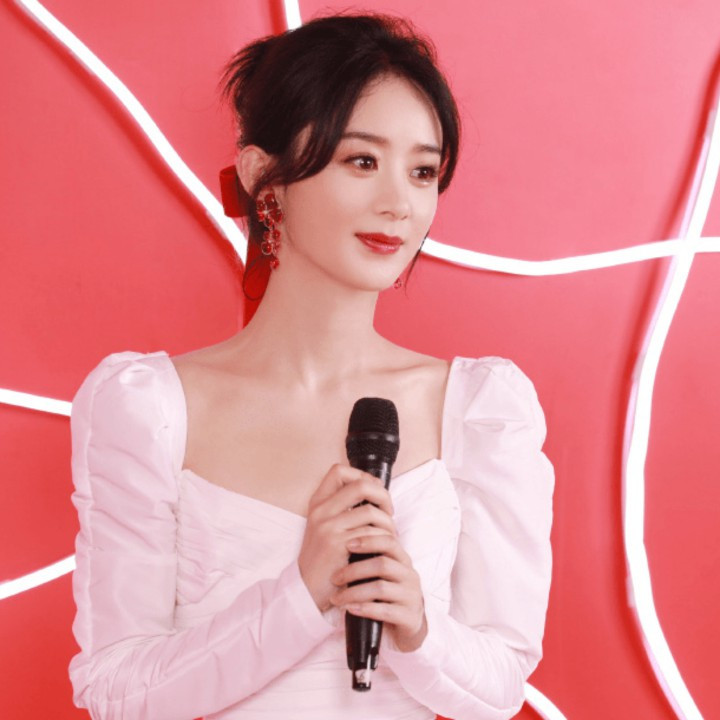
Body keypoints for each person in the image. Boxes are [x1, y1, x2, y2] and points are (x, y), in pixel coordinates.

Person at [68, 11, 554, 720]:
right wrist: (298, 596)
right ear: (264, 175)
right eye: (362, 161)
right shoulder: (149, 409)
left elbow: (501, 687)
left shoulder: (480, 409)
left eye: (423, 171)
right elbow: (115, 690)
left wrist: (419, 628)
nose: (399, 203)